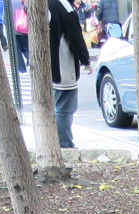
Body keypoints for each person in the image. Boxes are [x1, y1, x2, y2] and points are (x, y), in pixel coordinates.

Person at [49, 0, 91, 148]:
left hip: (48, 65)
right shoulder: (64, 7)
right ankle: (65, 145)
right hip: (63, 65)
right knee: (65, 108)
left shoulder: (43, 4)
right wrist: (85, 60)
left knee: (58, 107)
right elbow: (75, 37)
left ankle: (57, 144)